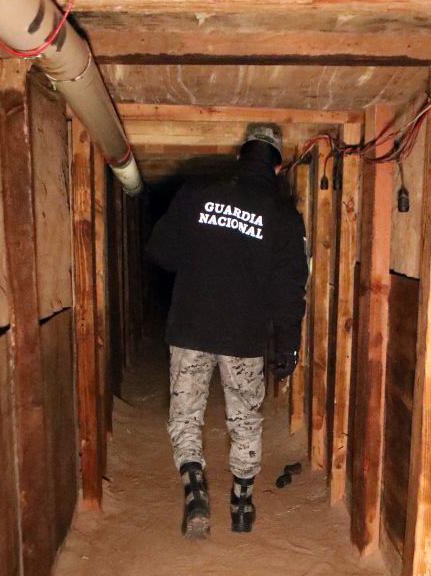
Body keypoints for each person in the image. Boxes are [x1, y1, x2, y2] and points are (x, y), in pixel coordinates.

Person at [146, 123, 308, 538]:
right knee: (245, 417)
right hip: (244, 337)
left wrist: (203, 251)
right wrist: (288, 346)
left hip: (190, 328)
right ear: (277, 167)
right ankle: (241, 502)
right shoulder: (284, 218)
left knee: (185, 414)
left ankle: (194, 487)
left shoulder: (198, 194)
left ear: (241, 155)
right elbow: (290, 288)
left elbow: (160, 250)